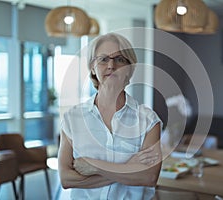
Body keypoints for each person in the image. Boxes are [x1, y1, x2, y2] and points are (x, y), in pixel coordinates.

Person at [58, 32, 162, 200]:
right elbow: (66, 179)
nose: (111, 65)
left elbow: (148, 177)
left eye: (120, 59)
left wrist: (95, 166)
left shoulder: (148, 121)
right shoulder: (72, 119)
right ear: (92, 67)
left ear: (130, 69)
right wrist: (128, 168)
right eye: (103, 59)